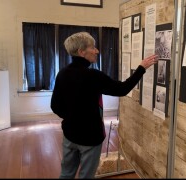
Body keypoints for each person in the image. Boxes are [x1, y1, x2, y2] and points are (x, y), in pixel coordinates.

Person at [50, 32, 158, 179]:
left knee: (66, 174)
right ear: (82, 52)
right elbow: (122, 89)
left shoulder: (62, 73)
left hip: (69, 135)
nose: (97, 51)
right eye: (93, 47)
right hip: (90, 137)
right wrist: (141, 68)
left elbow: (55, 106)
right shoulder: (93, 75)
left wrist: (72, 119)